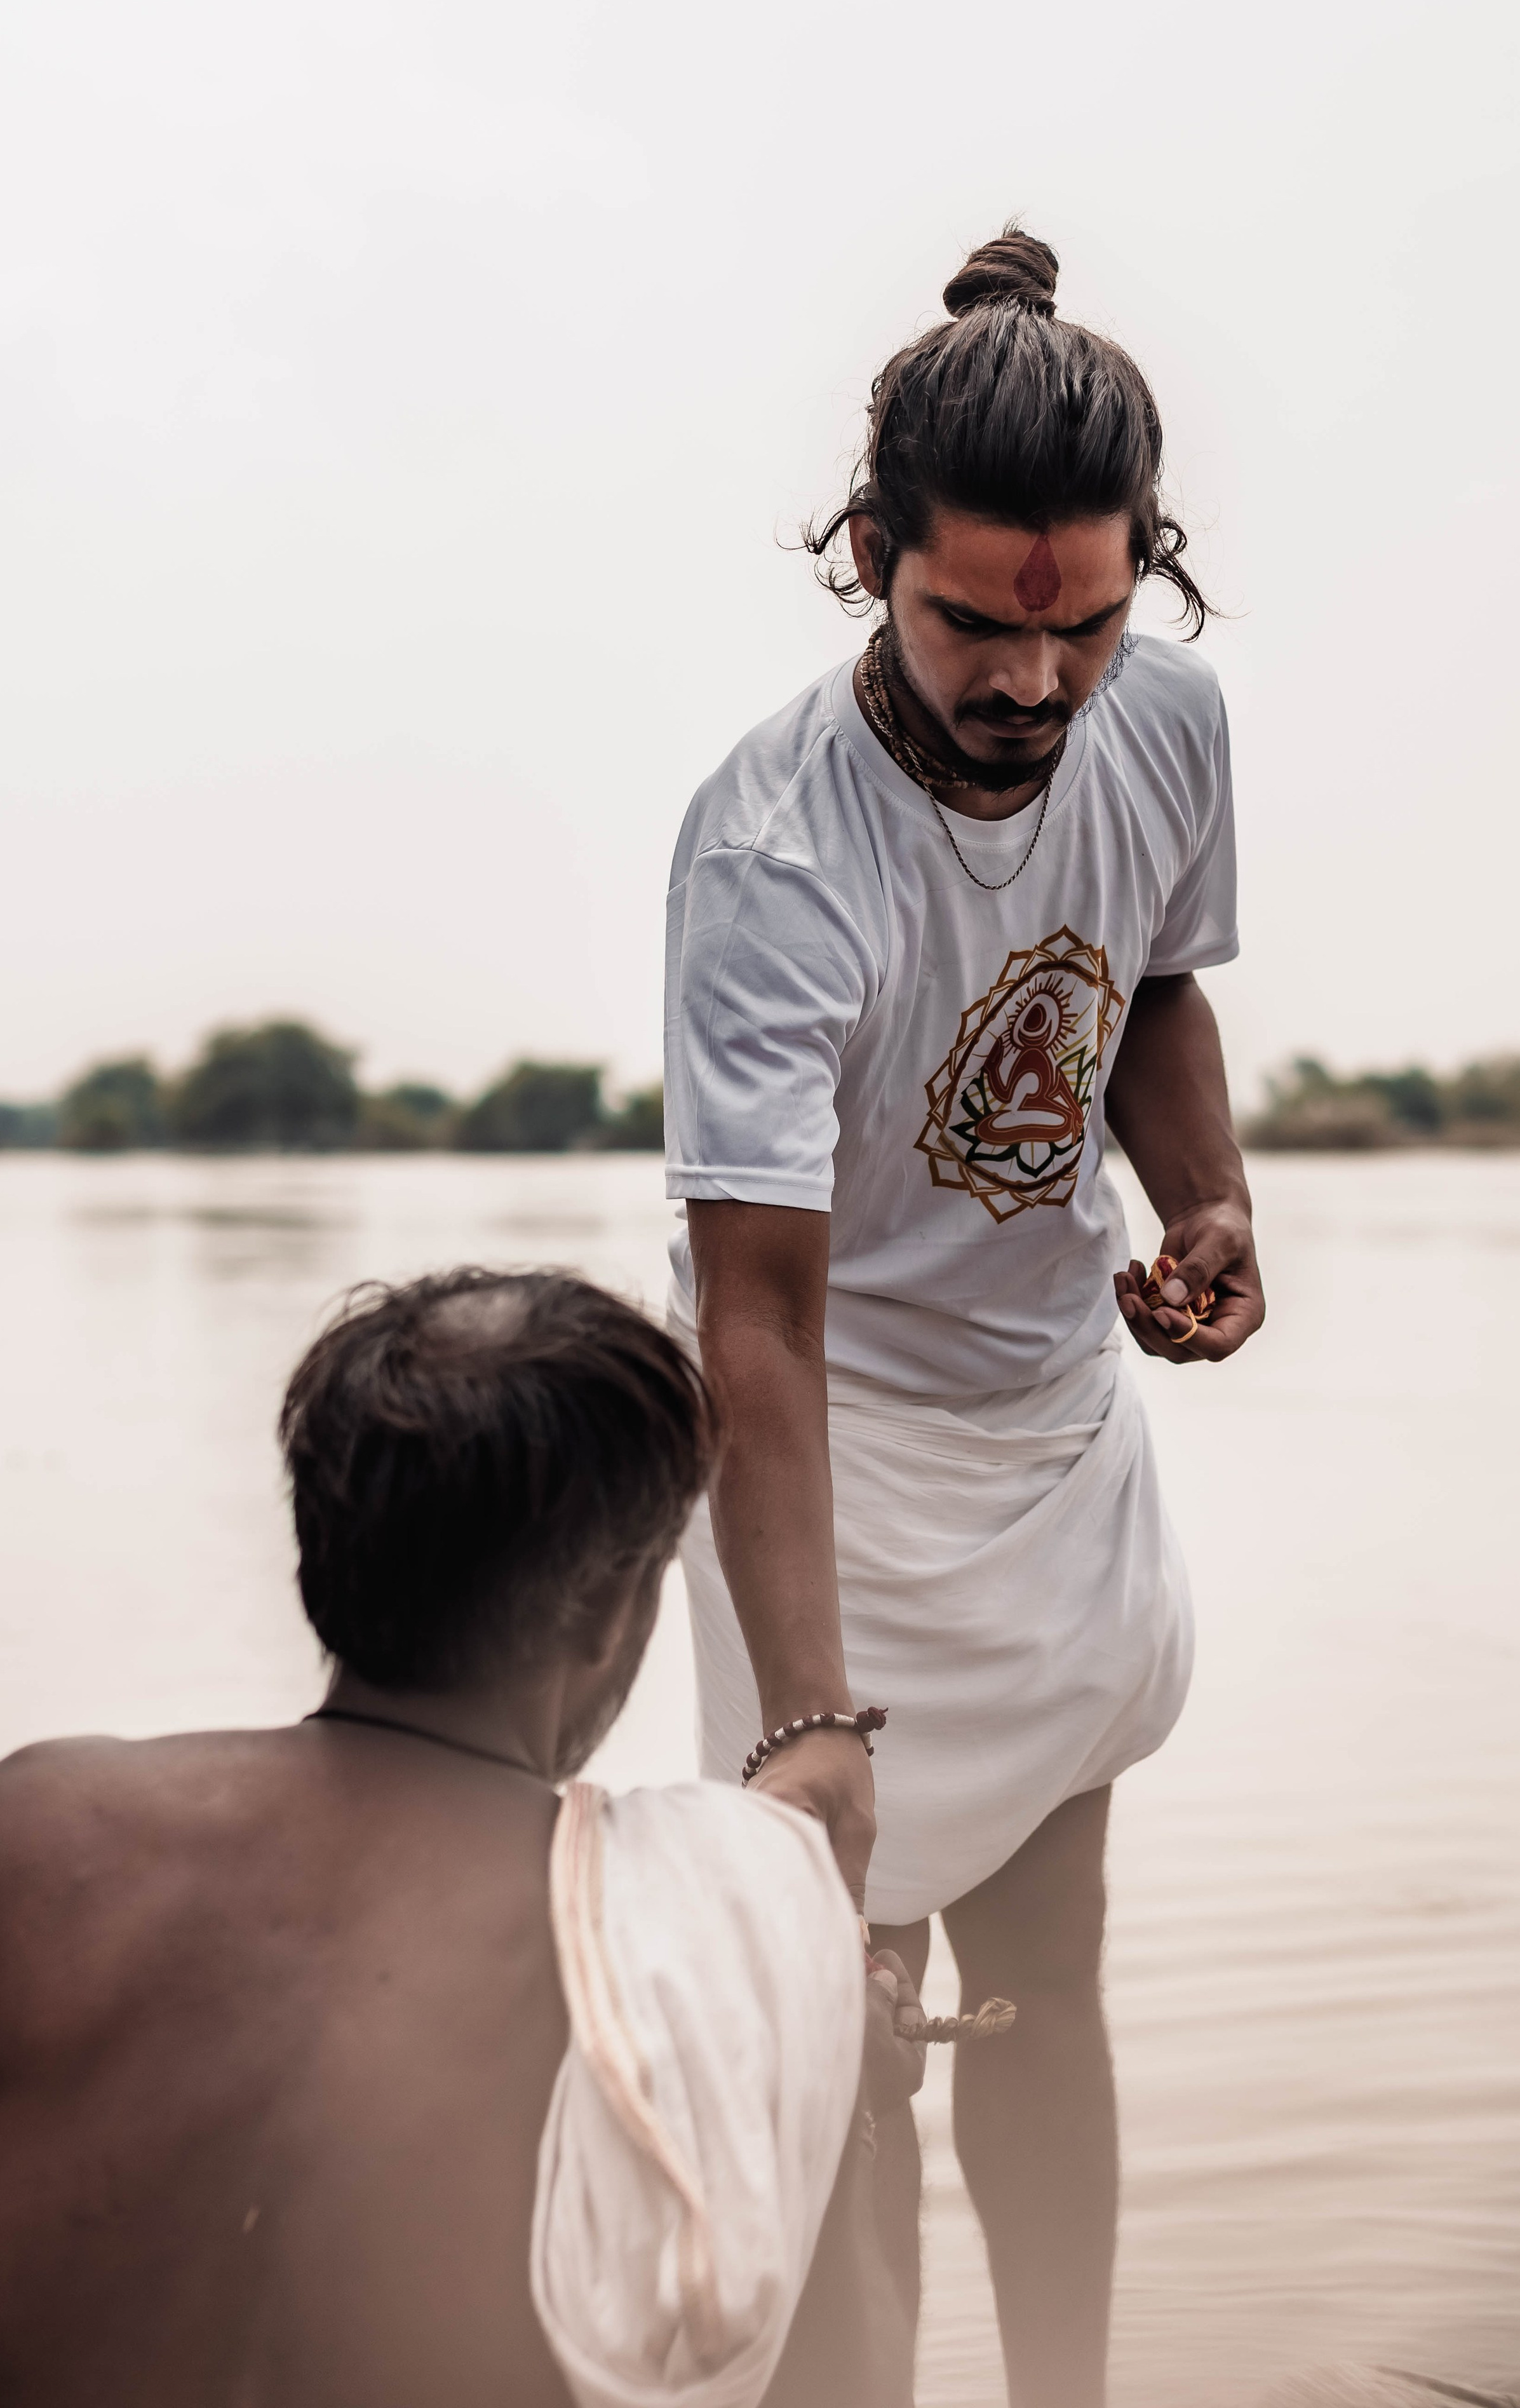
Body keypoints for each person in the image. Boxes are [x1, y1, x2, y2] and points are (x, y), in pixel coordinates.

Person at [664, 226, 1267, 2408]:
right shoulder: (773, 857)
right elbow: (753, 1317)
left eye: (1086, 629)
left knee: (1050, 1981)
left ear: (1143, 585)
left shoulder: (1170, 723)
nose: (1032, 684)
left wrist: (1204, 1194)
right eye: (970, 627)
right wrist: (810, 1710)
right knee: (848, 2043)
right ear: (864, 557)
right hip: (822, 1443)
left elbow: (1155, 983)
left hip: (1044, 1435)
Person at [0, 1268, 920, 2408]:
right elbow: (839, 2385)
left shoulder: (21, 1838)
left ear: (313, 1551)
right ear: (608, 1604)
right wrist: (835, 2074)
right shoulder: (739, 1921)